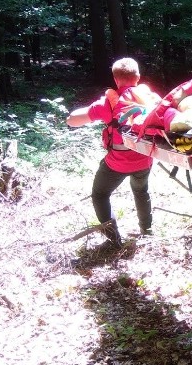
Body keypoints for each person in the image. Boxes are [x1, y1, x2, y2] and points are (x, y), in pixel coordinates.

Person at [66, 58, 159, 247]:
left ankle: (114, 240)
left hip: (117, 162)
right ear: (138, 78)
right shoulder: (148, 98)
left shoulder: (107, 104)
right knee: (141, 190)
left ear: (116, 80)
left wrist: (73, 115)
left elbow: (72, 120)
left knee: (100, 194)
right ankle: (147, 231)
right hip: (144, 159)